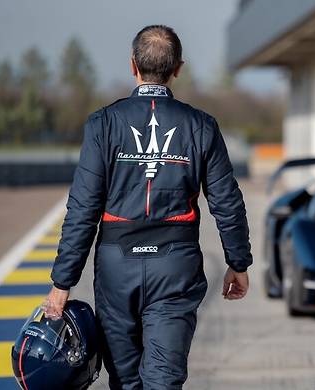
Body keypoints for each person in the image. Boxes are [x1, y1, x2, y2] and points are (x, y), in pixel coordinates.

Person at [43, 25, 252, 389]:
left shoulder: (103, 124)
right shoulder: (202, 126)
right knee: (163, 380)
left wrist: (63, 281)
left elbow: (83, 207)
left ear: (133, 66)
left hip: (116, 268)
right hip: (175, 268)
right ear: (178, 69)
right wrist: (238, 262)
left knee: (125, 382)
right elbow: (227, 202)